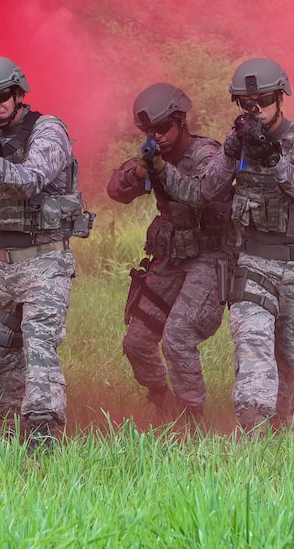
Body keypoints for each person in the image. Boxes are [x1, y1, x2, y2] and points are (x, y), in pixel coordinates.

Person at [0, 56, 93, 455]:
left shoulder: (47, 131)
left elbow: (31, 181)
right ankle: (14, 447)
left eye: (1, 97)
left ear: (19, 94)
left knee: (40, 351)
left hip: (43, 261)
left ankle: (44, 444)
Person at [202, 58, 294, 433]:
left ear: (280, 98)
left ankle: (280, 437)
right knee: (254, 350)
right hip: (255, 263)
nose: (254, 109)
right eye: (246, 103)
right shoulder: (239, 142)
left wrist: (273, 158)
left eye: (261, 100)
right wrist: (232, 151)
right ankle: (252, 439)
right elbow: (207, 190)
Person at [106, 83, 230, 422]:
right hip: (171, 260)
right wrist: (142, 171)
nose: (156, 136)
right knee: (137, 341)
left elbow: (200, 194)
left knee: (177, 336)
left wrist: (160, 170)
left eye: (162, 128)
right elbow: (116, 190)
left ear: (181, 120)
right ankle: (162, 403)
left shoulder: (207, 154)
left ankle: (192, 418)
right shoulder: (155, 157)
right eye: (149, 131)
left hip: (208, 257)